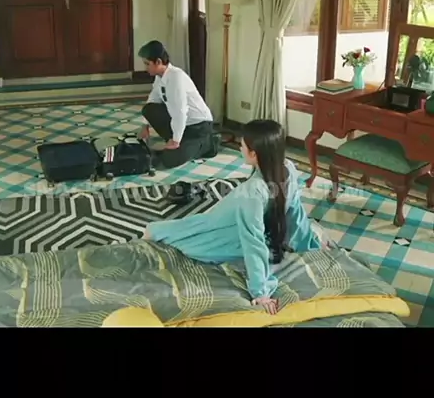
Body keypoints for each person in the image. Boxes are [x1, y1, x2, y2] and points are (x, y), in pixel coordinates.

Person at [142, 119, 322, 314]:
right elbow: (286, 221)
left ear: (254, 154)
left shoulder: (261, 186)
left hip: (229, 224)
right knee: (189, 230)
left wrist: (262, 291)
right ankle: (155, 231)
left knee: (191, 235)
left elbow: (266, 231)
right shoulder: (286, 170)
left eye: (242, 145)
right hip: (224, 220)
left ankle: (157, 231)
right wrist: (309, 248)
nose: (240, 149)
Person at [138, 40, 221, 169]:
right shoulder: (160, 77)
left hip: (198, 127)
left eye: (147, 64)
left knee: (169, 160)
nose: (145, 68)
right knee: (148, 109)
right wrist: (144, 126)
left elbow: (180, 112)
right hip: (184, 124)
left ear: (158, 62)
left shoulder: (176, 77)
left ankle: (207, 143)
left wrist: (176, 140)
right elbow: (153, 99)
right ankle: (180, 141)